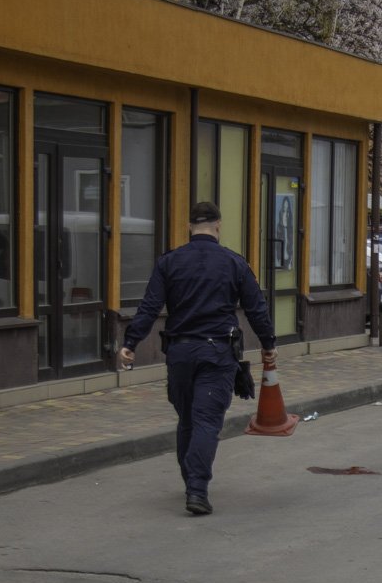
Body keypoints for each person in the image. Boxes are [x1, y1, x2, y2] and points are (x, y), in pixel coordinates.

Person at [119, 201, 277, 516]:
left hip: (179, 353)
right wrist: (268, 344)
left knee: (188, 418)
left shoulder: (169, 263)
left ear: (189, 226)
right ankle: (197, 489)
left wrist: (131, 342)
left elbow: (150, 305)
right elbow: (256, 308)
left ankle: (191, 479)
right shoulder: (235, 263)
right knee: (206, 420)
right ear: (218, 226)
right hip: (217, 352)